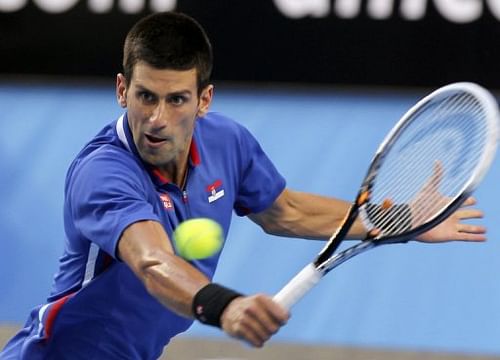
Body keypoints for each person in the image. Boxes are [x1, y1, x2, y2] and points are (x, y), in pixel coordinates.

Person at [0, 11, 486, 360]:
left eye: (176, 100)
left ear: (204, 99)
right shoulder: (103, 171)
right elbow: (153, 262)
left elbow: (285, 211)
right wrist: (225, 306)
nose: (157, 118)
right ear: (122, 89)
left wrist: (395, 219)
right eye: (145, 97)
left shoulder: (227, 143)